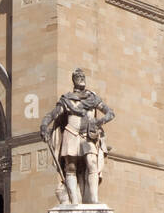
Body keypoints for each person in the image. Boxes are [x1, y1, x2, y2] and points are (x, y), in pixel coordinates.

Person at [39, 68, 114, 205]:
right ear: (73, 80)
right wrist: (44, 126)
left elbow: (110, 113)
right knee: (71, 167)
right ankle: (74, 201)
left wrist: (98, 122)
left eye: (82, 76)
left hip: (88, 136)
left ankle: (93, 200)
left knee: (92, 164)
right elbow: (51, 115)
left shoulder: (93, 99)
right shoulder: (67, 100)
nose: (81, 78)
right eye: (78, 76)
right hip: (71, 134)